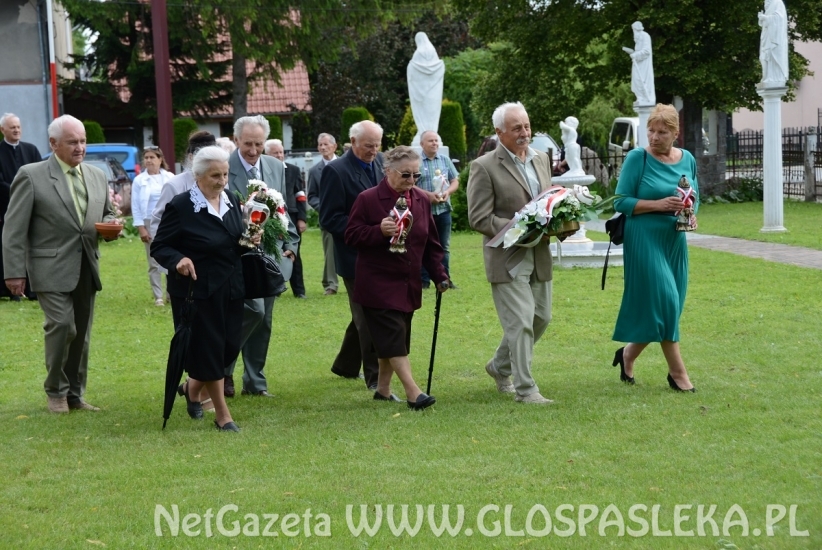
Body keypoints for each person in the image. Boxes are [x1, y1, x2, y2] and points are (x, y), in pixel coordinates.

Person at [2, 114, 120, 413]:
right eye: (72, 142)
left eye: (83, 141)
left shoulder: (96, 175)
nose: (80, 147)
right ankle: (55, 391)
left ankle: (75, 395)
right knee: (62, 325)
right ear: (53, 144)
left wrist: (111, 225)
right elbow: (14, 228)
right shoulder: (31, 175)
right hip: (48, 267)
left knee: (82, 333)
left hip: (87, 266)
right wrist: (14, 271)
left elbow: (105, 213)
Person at [467, 102, 569, 405]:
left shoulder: (541, 158)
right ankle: (526, 390)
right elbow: (478, 217)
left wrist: (560, 222)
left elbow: (546, 203)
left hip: (539, 252)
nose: (525, 133)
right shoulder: (484, 166)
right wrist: (519, 226)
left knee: (542, 317)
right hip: (506, 256)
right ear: (500, 133)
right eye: (517, 128)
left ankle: (499, 367)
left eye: (526, 126)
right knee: (521, 322)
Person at [151, 146, 249, 431]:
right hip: (197, 290)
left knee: (229, 347)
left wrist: (253, 236)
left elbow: (235, 239)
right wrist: (178, 259)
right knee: (210, 349)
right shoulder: (181, 206)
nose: (222, 181)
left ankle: (192, 389)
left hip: (231, 286)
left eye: (226, 174)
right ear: (198, 176)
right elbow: (160, 246)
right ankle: (222, 415)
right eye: (215, 175)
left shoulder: (231, 199)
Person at [345, 146, 449, 409]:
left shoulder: (422, 199)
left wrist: (439, 275)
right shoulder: (368, 199)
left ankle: (382, 389)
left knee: (395, 339)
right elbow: (351, 236)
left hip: (408, 282)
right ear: (388, 172)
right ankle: (414, 393)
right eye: (406, 175)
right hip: (377, 282)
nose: (412, 181)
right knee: (392, 338)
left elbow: (432, 243)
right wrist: (377, 230)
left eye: (416, 176)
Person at [611, 103, 698, 392]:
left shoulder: (688, 159)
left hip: (674, 239)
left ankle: (627, 355)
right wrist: (658, 205)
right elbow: (620, 201)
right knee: (666, 302)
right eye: (651, 131)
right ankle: (678, 375)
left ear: (676, 133)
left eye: (662, 132)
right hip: (644, 238)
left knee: (668, 308)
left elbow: (693, 196)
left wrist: (691, 212)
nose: (655, 137)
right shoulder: (638, 158)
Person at [224, 116, 298, 398]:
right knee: (250, 311)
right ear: (235, 140)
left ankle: (255, 382)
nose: (253, 150)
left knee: (264, 318)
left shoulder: (275, 166)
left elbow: (283, 209)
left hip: (270, 252)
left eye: (258, 144)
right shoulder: (223, 166)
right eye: (247, 144)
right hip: (235, 253)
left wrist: (292, 243)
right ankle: (222, 370)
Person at [319, 120, 383, 389]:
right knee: (369, 315)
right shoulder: (336, 171)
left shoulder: (380, 162)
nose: (374, 150)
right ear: (353, 142)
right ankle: (376, 378)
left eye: (378, 144)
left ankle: (345, 364)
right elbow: (329, 219)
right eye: (369, 145)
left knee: (366, 311)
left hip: (383, 251)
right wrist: (367, 230)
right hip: (355, 255)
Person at [0, 113, 41, 301]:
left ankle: (33, 289)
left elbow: (41, 174)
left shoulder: (31, 150)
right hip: (6, 208)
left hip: (32, 207)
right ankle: (10, 291)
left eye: (18, 127)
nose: (16, 130)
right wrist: (19, 192)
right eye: (12, 127)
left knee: (33, 246)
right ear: (2, 130)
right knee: (10, 246)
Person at [131, 146, 173, 306]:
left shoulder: (169, 177)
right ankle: (158, 296)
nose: (148, 160)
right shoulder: (139, 180)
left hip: (167, 221)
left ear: (160, 159)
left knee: (170, 258)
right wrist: (141, 226)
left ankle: (171, 293)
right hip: (149, 221)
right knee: (153, 260)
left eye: (152, 157)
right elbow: (135, 205)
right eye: (146, 157)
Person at [416, 130, 458, 290]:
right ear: (422, 144)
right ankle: (424, 280)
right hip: (424, 212)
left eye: (436, 140)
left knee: (444, 246)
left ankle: (445, 279)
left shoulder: (445, 160)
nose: (434, 143)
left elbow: (455, 180)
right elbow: (410, 185)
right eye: (430, 141)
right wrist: (428, 196)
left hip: (443, 210)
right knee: (424, 245)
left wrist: (448, 192)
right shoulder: (417, 162)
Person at [265, 138, 307, 299]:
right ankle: (275, 288)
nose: (279, 155)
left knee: (294, 252)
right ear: (267, 155)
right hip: (270, 218)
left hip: (292, 216)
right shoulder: (263, 170)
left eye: (281, 152)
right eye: (275, 153)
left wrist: (302, 218)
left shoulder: (294, 170)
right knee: (272, 251)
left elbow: (300, 195)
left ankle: (299, 290)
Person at [307, 133, 339, 295]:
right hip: (328, 217)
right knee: (330, 251)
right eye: (320, 145)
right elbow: (311, 196)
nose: (323, 147)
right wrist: (324, 207)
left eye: (326, 144)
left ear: (334, 146)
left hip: (349, 215)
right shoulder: (314, 171)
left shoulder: (344, 165)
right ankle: (331, 284)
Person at [407, 32, 444, 146]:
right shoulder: (433, 54)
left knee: (422, 113)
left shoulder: (418, 53)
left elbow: (413, 69)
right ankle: (432, 132)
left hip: (420, 94)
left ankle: (423, 132)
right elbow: (440, 67)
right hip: (434, 93)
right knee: (432, 112)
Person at [622, 21, 655, 105]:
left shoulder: (645, 36)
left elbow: (646, 51)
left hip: (644, 64)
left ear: (637, 29)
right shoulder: (638, 38)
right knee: (636, 80)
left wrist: (636, 55)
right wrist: (633, 53)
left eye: (634, 29)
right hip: (637, 62)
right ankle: (640, 97)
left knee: (642, 79)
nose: (634, 32)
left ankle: (645, 98)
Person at [758, 0, 789, 85]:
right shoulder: (768, 5)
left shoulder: (777, 2)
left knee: (770, 55)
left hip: (774, 38)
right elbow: (765, 23)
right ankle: (766, 77)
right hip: (767, 36)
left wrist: (765, 18)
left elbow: (779, 19)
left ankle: (773, 78)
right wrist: (762, 18)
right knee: (763, 57)